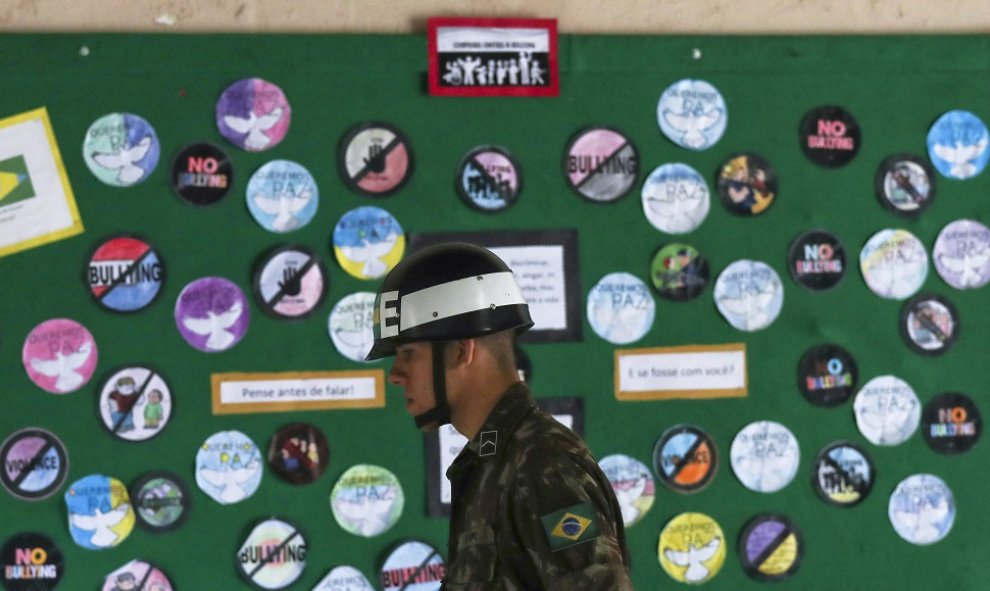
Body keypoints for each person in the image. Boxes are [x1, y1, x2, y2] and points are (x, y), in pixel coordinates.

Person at [367, 242, 633, 590]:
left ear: (463, 350)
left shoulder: (542, 466)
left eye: (408, 353)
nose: (395, 374)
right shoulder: (494, 462)